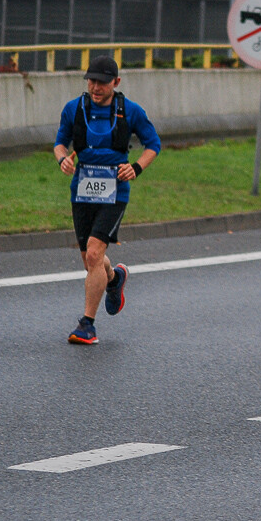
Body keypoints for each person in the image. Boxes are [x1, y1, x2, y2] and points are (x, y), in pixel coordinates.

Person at [53, 56, 161, 345]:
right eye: (91, 80)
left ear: (116, 82)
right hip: (82, 190)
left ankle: (87, 324)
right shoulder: (74, 109)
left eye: (101, 81)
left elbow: (154, 144)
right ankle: (114, 279)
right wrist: (63, 158)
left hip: (115, 191)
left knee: (94, 253)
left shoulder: (131, 111)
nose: (95, 86)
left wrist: (136, 168)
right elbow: (59, 142)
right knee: (90, 259)